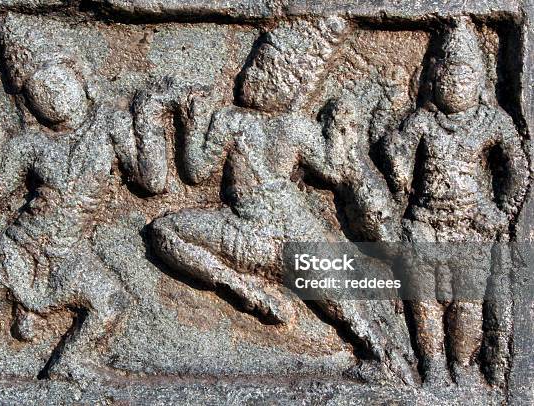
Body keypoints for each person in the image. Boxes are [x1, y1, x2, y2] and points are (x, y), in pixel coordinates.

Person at [147, 17, 415, 383]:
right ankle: (248, 291)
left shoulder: (276, 125)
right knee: (166, 231)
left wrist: (189, 124)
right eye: (252, 65)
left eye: (264, 67)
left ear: (289, 82)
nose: (248, 75)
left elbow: (335, 172)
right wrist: (190, 121)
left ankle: (389, 358)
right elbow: (197, 174)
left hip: (276, 232)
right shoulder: (255, 122)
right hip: (253, 230)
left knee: (345, 303)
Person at [0, 15, 164, 379]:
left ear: (78, 75)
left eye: (56, 80)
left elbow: (151, 180)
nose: (51, 96)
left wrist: (147, 115)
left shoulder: (110, 127)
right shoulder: (29, 144)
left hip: (68, 251)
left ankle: (68, 361)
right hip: (21, 247)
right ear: (28, 102)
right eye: (37, 90)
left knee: (110, 302)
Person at [382, 17, 528, 385]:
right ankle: (431, 366)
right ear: (433, 82)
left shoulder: (493, 121)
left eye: (464, 79)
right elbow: (399, 173)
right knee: (423, 298)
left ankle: (463, 367)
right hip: (424, 220)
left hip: (471, 222)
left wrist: (501, 212)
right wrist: (391, 144)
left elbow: (518, 170)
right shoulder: (421, 121)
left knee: (467, 302)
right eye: (447, 78)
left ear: (479, 83)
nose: (455, 86)